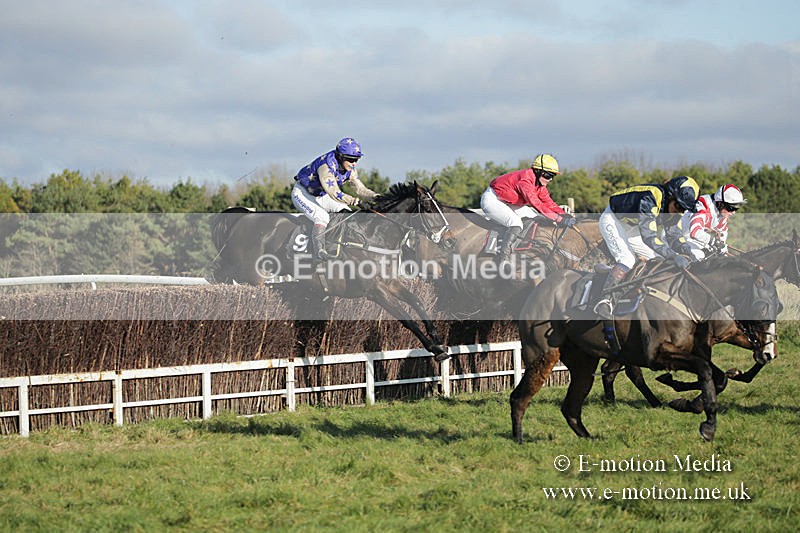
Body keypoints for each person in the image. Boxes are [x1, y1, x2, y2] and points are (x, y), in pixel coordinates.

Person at [594, 175, 700, 319]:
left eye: (684, 209)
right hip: (613, 220)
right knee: (627, 259)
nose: (680, 211)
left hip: (632, 228)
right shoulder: (651, 197)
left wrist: (688, 251)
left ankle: (637, 294)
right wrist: (674, 256)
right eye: (679, 206)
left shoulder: (673, 208)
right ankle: (605, 300)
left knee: (656, 260)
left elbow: (674, 235)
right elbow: (649, 237)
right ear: (671, 196)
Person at [291, 137, 379, 260]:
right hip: (302, 193)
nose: (354, 163)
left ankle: (338, 246)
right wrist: (356, 201)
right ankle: (319, 251)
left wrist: (377, 197)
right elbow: (334, 193)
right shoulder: (326, 166)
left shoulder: (350, 169)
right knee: (322, 217)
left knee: (346, 211)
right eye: (351, 160)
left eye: (356, 160)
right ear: (341, 157)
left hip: (321, 195)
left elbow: (360, 189)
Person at [480, 153, 576, 263]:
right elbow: (537, 205)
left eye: (553, 177)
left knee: (534, 217)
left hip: (508, 202)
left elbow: (549, 203)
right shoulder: (525, 181)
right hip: (493, 200)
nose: (550, 180)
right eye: (549, 176)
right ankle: (504, 257)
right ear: (539, 172)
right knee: (515, 222)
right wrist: (559, 219)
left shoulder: (539, 185)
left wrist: (564, 214)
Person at [678, 184, 746, 261]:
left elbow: (722, 233)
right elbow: (695, 232)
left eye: (736, 209)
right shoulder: (703, 207)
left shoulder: (722, 212)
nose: (733, 212)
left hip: (695, 238)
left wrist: (722, 246)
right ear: (720, 203)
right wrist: (714, 242)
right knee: (700, 257)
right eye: (731, 208)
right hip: (680, 237)